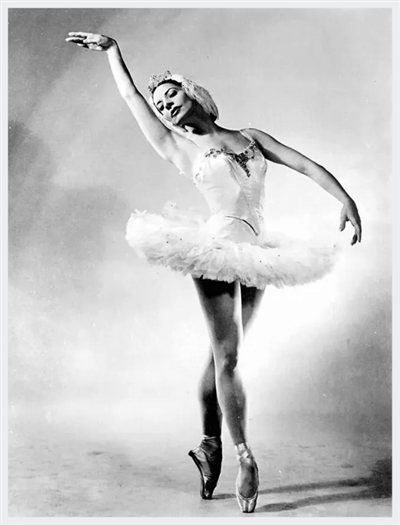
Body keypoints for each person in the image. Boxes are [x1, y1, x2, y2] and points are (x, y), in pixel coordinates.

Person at [66, 32, 362, 514]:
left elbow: (306, 166)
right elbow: (132, 97)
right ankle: (245, 458)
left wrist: (345, 198)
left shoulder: (251, 137)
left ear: (191, 92)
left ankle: (209, 444)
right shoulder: (177, 147)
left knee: (221, 358)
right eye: (160, 105)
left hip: (259, 255)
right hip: (217, 252)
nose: (164, 106)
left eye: (170, 96)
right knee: (229, 357)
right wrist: (113, 51)